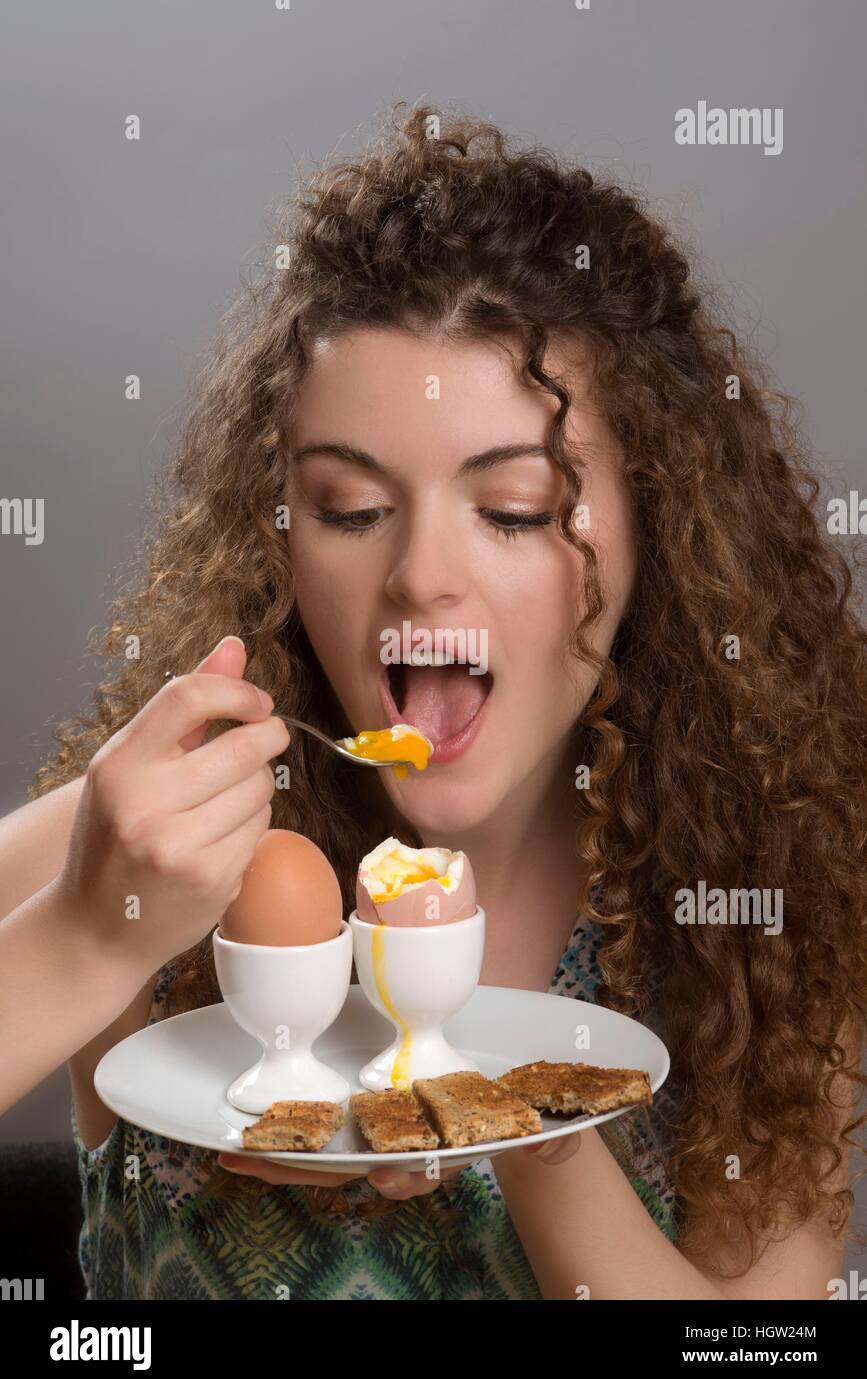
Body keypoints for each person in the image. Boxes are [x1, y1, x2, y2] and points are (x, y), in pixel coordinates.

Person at [1, 102, 864, 1300]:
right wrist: (90, 934)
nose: (417, 574)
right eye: (351, 508)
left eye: (512, 509)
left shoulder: (763, 926)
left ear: (659, 522)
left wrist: (510, 1120)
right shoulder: (160, 837)